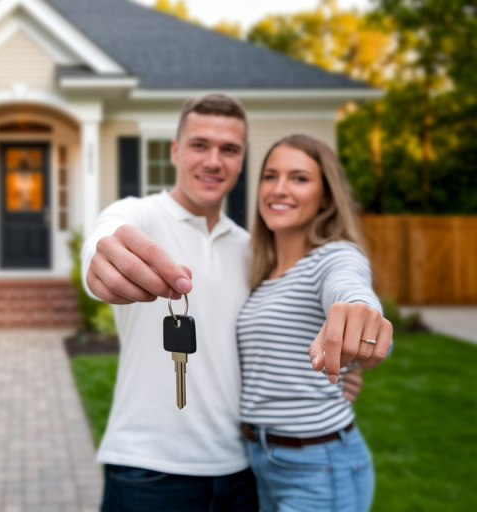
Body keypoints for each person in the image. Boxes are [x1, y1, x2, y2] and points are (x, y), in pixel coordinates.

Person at [81, 93, 391, 511]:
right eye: (199, 145)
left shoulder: (252, 252)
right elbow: (106, 237)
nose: (213, 161)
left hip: (242, 468)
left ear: (242, 160)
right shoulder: (139, 216)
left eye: (229, 149)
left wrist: (354, 330)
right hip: (149, 467)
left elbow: (340, 283)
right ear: (175, 151)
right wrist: (100, 260)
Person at [238, 134, 390, 512]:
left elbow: (347, 283)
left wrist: (358, 313)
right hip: (261, 460)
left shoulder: (333, 256)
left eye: (299, 178)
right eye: (270, 176)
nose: (279, 188)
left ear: (325, 197)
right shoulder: (263, 275)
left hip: (319, 465)